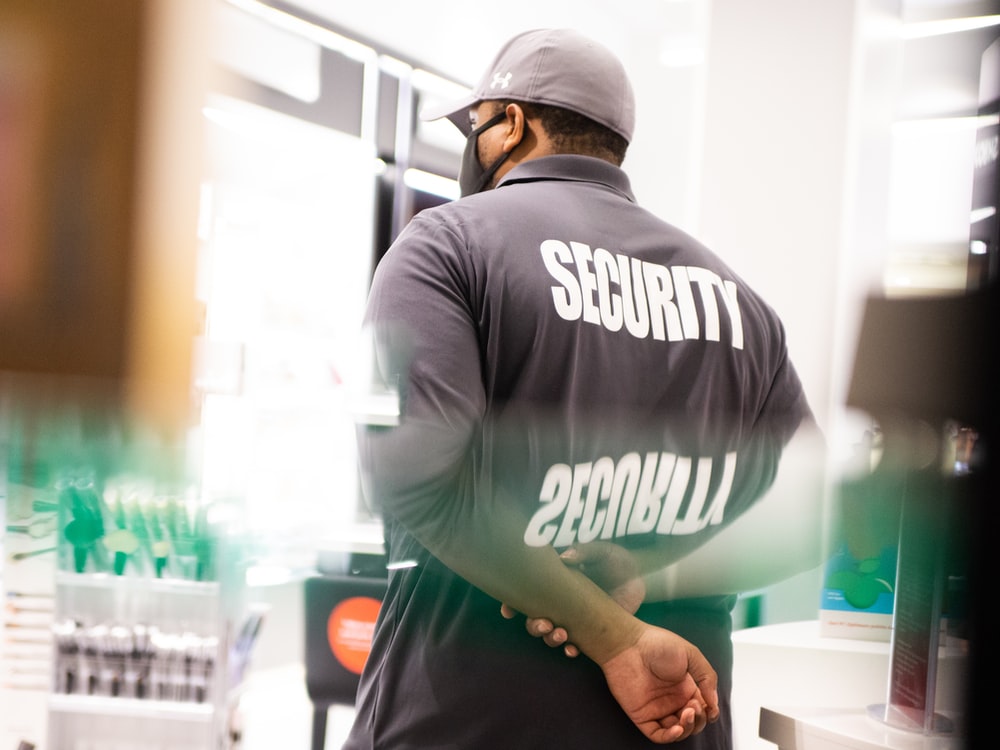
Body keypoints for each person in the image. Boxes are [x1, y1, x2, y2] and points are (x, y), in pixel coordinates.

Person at [343, 28, 826, 750]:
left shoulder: (446, 245)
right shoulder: (740, 303)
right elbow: (809, 516)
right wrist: (647, 578)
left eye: (475, 126)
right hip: (675, 727)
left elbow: (413, 482)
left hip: (467, 720)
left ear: (508, 122)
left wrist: (615, 636)